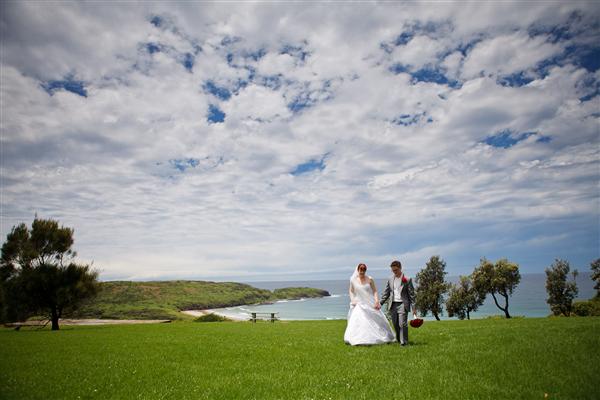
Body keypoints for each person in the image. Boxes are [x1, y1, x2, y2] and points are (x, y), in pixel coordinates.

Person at [344, 263, 395, 345]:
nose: (362, 272)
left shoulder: (370, 279)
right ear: (358, 270)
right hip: (359, 303)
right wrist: (353, 300)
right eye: (361, 270)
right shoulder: (353, 280)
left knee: (376, 319)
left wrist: (377, 301)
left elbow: (374, 291)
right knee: (360, 320)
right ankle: (359, 339)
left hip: (370, 302)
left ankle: (380, 337)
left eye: (364, 270)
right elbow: (351, 291)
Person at [380, 260, 416, 345]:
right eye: (393, 270)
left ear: (400, 268)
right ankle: (399, 340)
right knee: (395, 324)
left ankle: (404, 342)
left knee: (402, 324)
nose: (394, 272)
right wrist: (380, 303)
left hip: (403, 304)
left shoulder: (407, 279)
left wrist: (414, 308)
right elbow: (386, 293)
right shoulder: (390, 279)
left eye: (396, 270)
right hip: (393, 304)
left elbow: (412, 295)